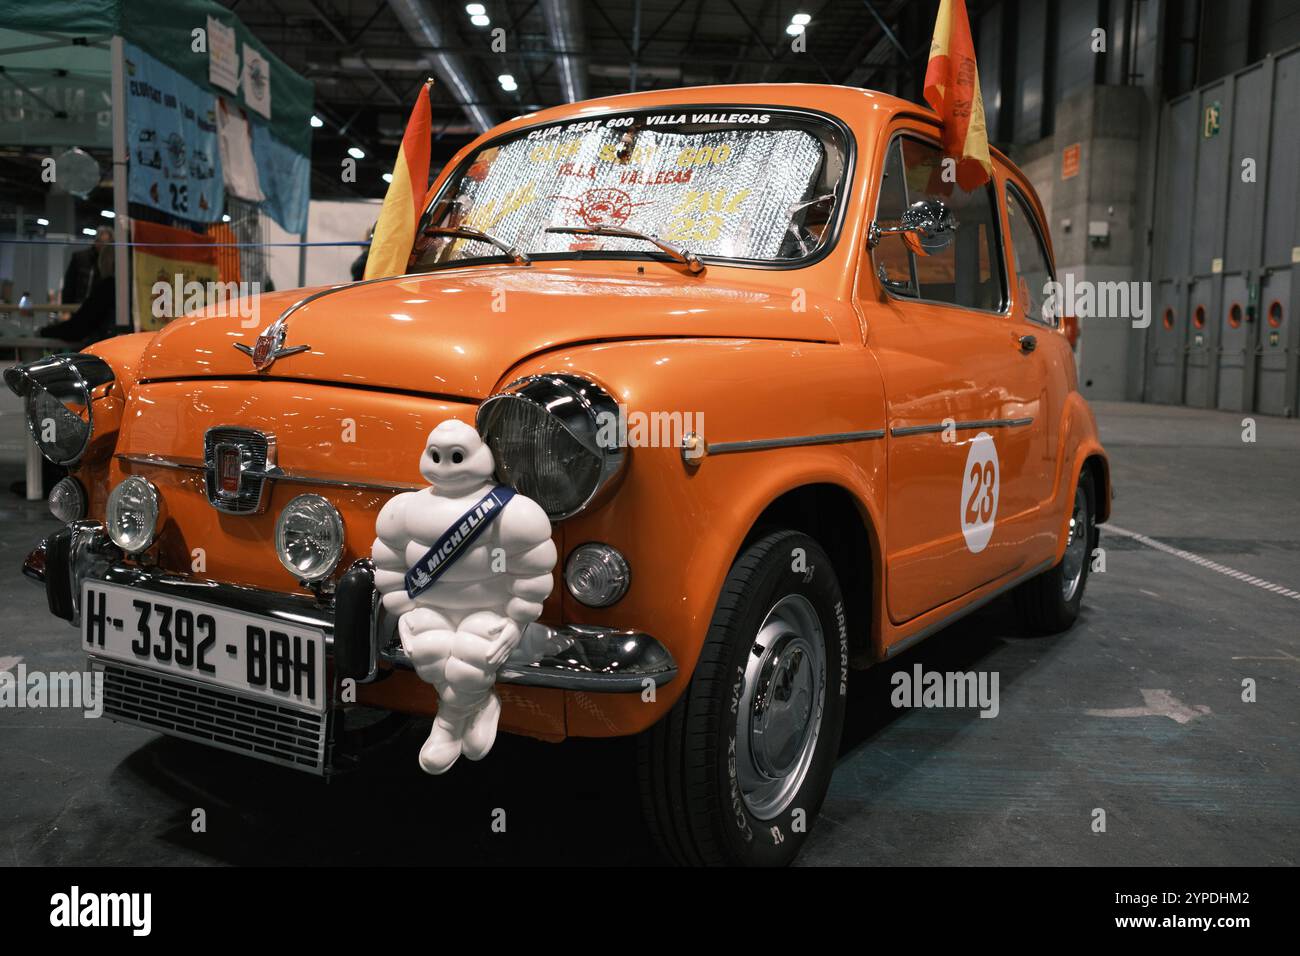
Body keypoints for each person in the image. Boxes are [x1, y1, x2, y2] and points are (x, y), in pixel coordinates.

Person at [39, 234, 117, 345]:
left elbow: (78, 328)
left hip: (103, 343)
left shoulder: (108, 287)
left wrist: (43, 332)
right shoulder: (119, 286)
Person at [61, 225, 112, 306]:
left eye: (107, 243)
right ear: (96, 241)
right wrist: (65, 309)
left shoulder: (112, 262)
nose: (104, 246)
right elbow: (69, 285)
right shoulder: (79, 258)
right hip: (79, 306)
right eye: (101, 242)